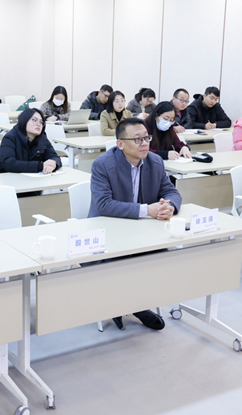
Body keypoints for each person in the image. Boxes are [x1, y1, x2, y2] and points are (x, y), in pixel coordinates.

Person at [88, 117, 182, 330]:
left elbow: (171, 192)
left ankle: (135, 303)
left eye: (147, 138)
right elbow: (103, 205)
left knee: (162, 257)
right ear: (120, 144)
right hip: (108, 231)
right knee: (123, 260)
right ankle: (132, 306)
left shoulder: (155, 162)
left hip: (140, 231)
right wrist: (147, 210)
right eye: (138, 139)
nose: (145, 143)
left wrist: (169, 207)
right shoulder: (103, 164)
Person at [0, 108, 61, 174]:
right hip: (2, 178)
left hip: (27, 179)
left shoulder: (42, 138)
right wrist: (41, 166)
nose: (38, 124)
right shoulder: (10, 138)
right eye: (34, 120)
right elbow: (9, 164)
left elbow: (54, 157)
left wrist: (54, 163)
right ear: (24, 121)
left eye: (41, 122)